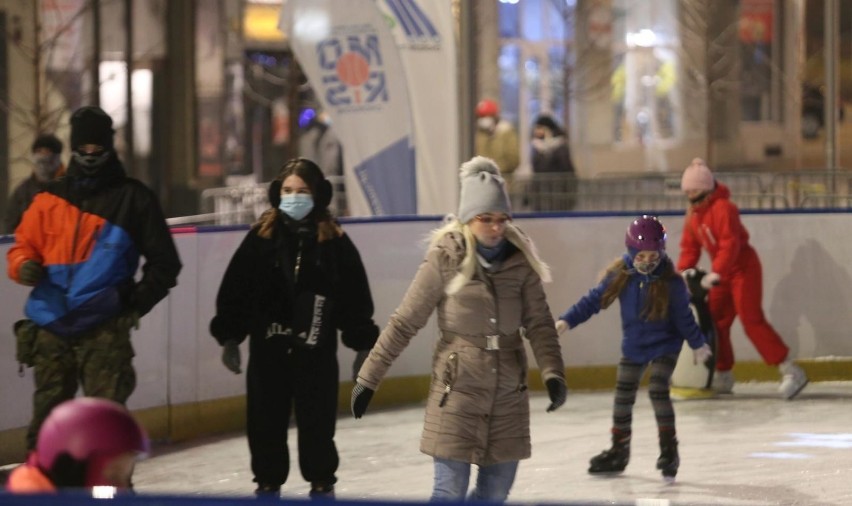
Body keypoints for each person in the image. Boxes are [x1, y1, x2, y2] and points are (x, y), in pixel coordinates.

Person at [351, 156, 567, 503]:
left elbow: (540, 324)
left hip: (508, 394)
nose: (496, 228)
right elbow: (405, 322)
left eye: (501, 219)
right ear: (468, 218)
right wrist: (368, 378)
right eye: (486, 219)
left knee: (494, 494)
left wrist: (554, 372)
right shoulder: (445, 257)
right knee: (447, 493)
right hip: (457, 392)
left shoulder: (519, 260)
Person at [6, 105, 182, 451]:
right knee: (47, 431)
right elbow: (21, 247)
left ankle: (108, 496)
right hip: (51, 327)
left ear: (109, 148)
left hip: (103, 331)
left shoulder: (134, 199)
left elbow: (165, 264)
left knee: (106, 431)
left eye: (96, 150)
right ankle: (44, 497)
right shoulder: (48, 199)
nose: (89, 157)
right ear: (73, 149)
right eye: (82, 150)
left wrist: (131, 305)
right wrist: (23, 265)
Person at [209, 157, 380, 498]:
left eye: (302, 191)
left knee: (317, 424)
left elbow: (353, 296)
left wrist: (362, 343)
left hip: (315, 353)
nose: (294, 197)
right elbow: (236, 291)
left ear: (316, 195)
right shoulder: (260, 239)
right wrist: (229, 335)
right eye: (288, 191)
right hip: (268, 350)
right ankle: (268, 483)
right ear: (277, 193)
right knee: (265, 423)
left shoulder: (334, 243)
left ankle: (321, 482)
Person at [555, 215, 711, 482]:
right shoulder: (621, 275)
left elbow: (684, 317)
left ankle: (669, 450)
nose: (648, 262)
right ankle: (619, 451)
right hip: (635, 346)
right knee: (622, 397)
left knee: (658, 390)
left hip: (665, 345)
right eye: (642, 256)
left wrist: (698, 344)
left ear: (661, 253)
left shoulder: (671, 282)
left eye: (653, 256)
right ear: (631, 252)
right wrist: (567, 320)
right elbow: (593, 301)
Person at [677, 158, 808, 399]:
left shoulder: (724, 209)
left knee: (751, 319)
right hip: (722, 275)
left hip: (743, 269)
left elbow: (730, 243)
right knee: (716, 322)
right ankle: (723, 373)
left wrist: (717, 272)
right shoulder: (694, 216)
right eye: (688, 190)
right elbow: (689, 248)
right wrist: (681, 274)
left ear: (706, 188)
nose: (690, 195)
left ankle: (791, 370)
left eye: (694, 190)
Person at [5, 397, 149, 493]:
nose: (122, 489)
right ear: (70, 468)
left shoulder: (64, 493)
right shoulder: (30, 497)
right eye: (113, 476)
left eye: (126, 477)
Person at [4, 133, 66, 234]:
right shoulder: (22, 192)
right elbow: (10, 228)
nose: (42, 157)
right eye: (39, 152)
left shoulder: (70, 189)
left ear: (57, 157)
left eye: (47, 152)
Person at [530, 114, 577, 211]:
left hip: (558, 191)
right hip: (541, 191)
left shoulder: (560, 145)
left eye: (540, 128)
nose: (537, 131)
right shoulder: (536, 146)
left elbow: (566, 168)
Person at [474, 99, 520, 191]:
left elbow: (514, 159)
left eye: (486, 116)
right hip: (483, 183)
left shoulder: (506, 132)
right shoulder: (480, 135)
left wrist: (495, 169)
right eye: (481, 117)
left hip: (504, 183)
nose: (483, 120)